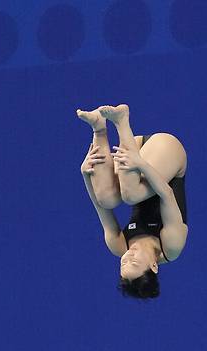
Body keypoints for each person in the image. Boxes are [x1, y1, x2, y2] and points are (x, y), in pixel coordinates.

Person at [77, 104, 188, 298]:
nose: (128, 256)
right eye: (135, 263)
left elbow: (99, 206)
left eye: (124, 262)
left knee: (106, 198)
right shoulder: (171, 246)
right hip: (167, 152)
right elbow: (167, 194)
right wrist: (141, 165)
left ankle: (99, 128)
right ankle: (121, 121)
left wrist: (85, 174)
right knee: (131, 195)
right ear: (154, 266)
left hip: (133, 149)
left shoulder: (119, 246)